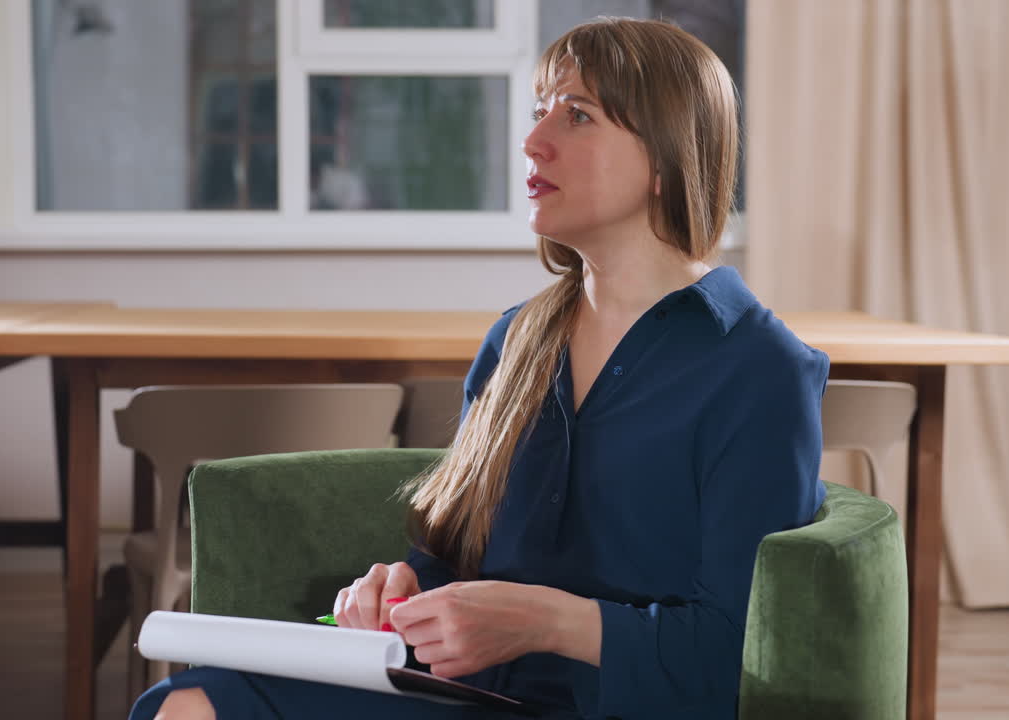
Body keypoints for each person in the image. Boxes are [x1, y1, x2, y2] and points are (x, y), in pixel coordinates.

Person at [131, 16, 828, 720]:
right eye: (538, 112)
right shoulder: (516, 341)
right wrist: (403, 587)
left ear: (664, 160)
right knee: (190, 700)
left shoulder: (759, 369)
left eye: (577, 115)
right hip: (465, 696)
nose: (532, 142)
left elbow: (744, 655)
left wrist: (551, 622)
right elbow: (459, 560)